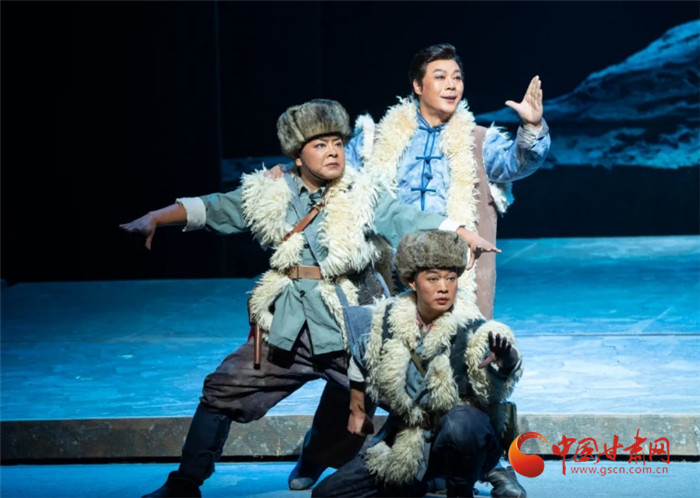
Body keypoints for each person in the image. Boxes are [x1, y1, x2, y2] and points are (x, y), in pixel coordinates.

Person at [120, 99, 499, 498]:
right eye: (320, 145)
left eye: (337, 143)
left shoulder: (361, 192)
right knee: (223, 388)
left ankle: (461, 472)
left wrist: (462, 232)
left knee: (420, 396)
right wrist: (156, 217)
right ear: (297, 156)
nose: (333, 151)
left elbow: (407, 217)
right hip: (290, 326)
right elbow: (216, 207)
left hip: (351, 324)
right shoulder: (272, 192)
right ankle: (185, 483)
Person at [291, 43, 546, 495]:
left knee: (471, 367)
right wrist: (285, 174)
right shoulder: (378, 139)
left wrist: (532, 127)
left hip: (457, 274)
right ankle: (320, 452)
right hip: (388, 271)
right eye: (440, 76)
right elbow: (333, 171)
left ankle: (491, 464)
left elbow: (519, 162)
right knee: (363, 360)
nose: (451, 85)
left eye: (457, 77)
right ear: (416, 85)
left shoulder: (478, 140)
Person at [311, 229, 523, 498]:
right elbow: (360, 359)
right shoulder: (388, 318)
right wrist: (357, 409)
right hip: (409, 438)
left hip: (461, 435)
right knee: (327, 494)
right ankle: (431, 481)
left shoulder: (472, 327)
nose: (443, 287)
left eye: (451, 278)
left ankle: (465, 486)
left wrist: (507, 361)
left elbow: (493, 387)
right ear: (412, 282)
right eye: (433, 279)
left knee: (463, 425)